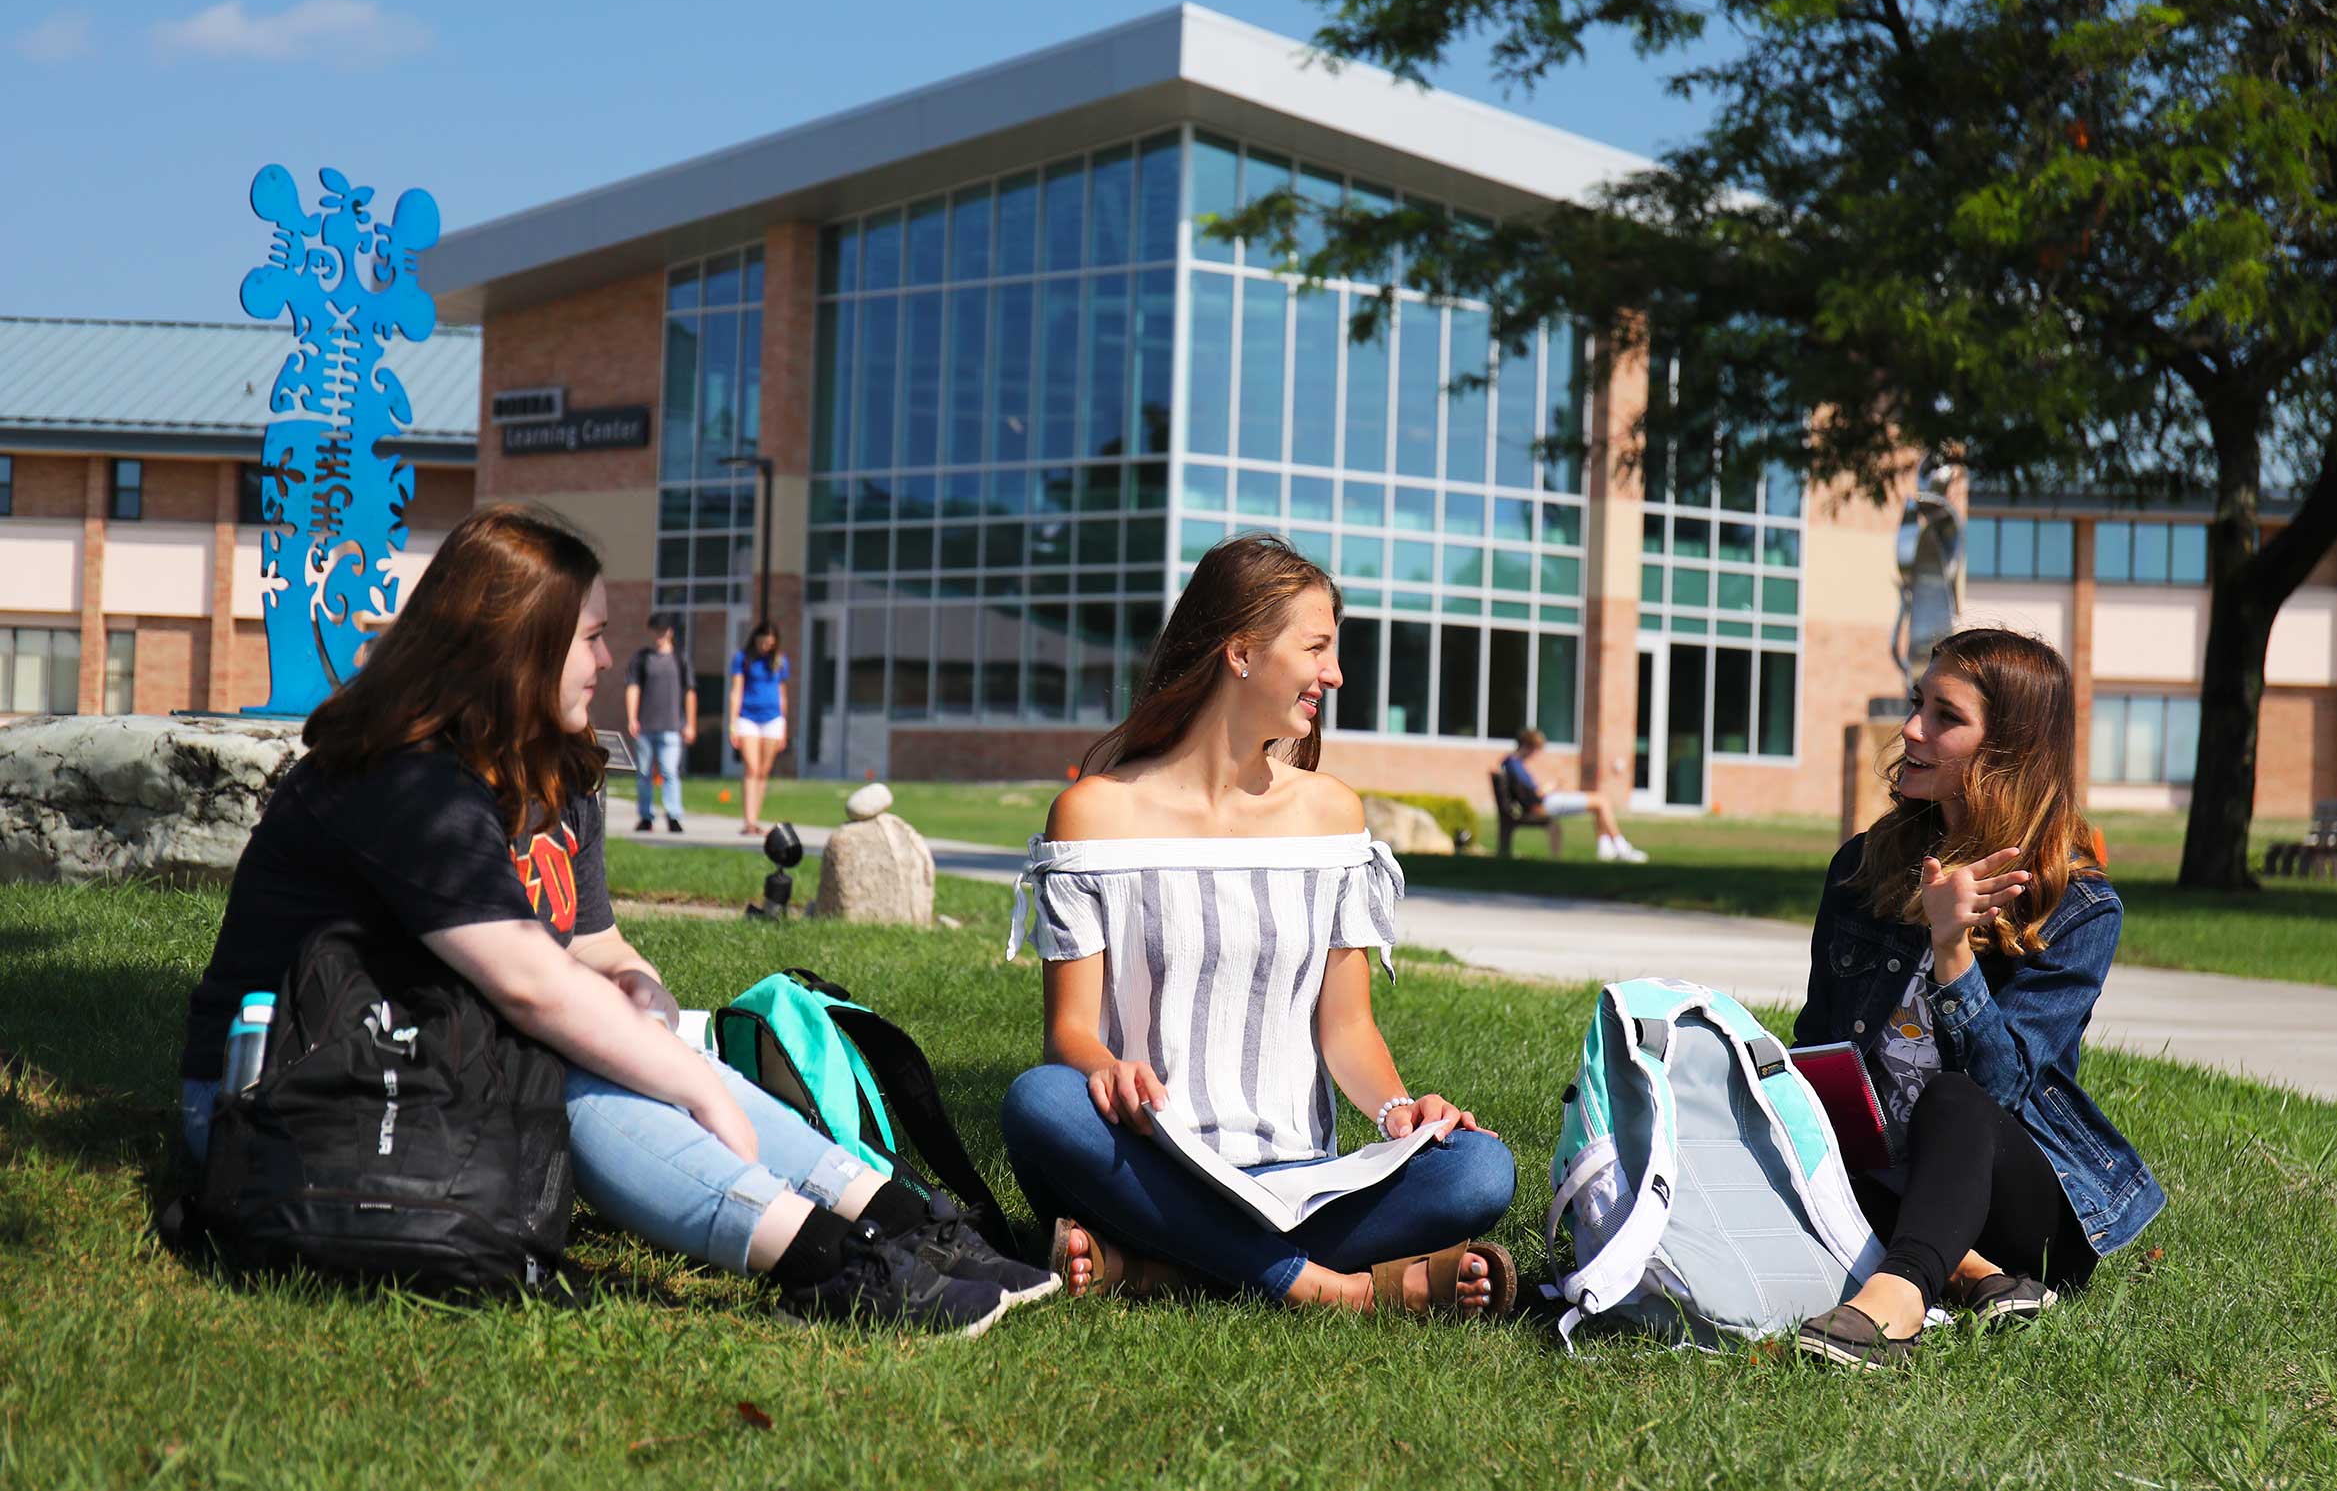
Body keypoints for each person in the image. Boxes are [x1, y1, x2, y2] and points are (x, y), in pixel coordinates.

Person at [176, 504, 1052, 1335]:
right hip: (294, 1096)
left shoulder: (555, 771)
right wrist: (694, 1083)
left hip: (435, 1065)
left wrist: (645, 995)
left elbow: (592, 947)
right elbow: (532, 984)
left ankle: (894, 1218)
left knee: (615, 1038)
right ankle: (828, 1262)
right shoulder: (405, 781)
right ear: (517, 647)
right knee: (569, 1053)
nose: (609, 661)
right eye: (590, 637)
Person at [998, 533, 1520, 1318]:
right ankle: (1333, 1290)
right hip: (1150, 1159)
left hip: (1299, 1179)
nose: (1335, 675)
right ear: (1240, 653)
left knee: (1480, 1169)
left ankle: (1150, 1268)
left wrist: (1399, 1113)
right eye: (1317, 648)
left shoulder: (1331, 816)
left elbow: (1346, 1027)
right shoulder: (1094, 813)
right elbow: (1068, 1034)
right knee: (1041, 1102)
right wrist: (1106, 1067)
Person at [1788, 627, 2165, 1368]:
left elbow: (2003, 1090)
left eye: (1944, 716)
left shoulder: (2079, 906)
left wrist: (1951, 946)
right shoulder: (1860, 870)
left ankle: (1898, 1298)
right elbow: (1820, 1037)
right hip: (1880, 1173)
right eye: (1916, 704)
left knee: (1953, 1101)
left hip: (2018, 1201)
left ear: (2011, 748)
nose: (1911, 730)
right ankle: (1971, 1274)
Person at [1496, 728, 1648, 862]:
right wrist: (1551, 786)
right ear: (1527, 746)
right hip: (1542, 805)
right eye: (1535, 749)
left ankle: (1607, 850)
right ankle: (1621, 847)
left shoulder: (1511, 762)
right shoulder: (1515, 765)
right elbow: (1534, 794)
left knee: (1600, 800)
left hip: (1544, 802)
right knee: (1601, 802)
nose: (1536, 754)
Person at [624, 612, 695, 834]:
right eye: (656, 630)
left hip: (672, 726)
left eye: (663, 630)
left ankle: (673, 815)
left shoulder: (679, 659)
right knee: (644, 773)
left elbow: (690, 692)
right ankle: (646, 816)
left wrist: (690, 723)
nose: (659, 635)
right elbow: (633, 687)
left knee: (669, 772)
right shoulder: (642, 659)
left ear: (670, 632)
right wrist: (632, 717)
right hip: (646, 726)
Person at [727, 621, 789, 837]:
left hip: (773, 719)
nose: (766, 646)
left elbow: (782, 694)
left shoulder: (780, 661)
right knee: (751, 769)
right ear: (756, 638)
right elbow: (736, 691)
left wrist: (784, 725)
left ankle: (756, 818)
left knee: (763, 772)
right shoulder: (742, 659)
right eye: (763, 642)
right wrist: (733, 723)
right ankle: (749, 821)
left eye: (770, 643)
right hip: (748, 718)